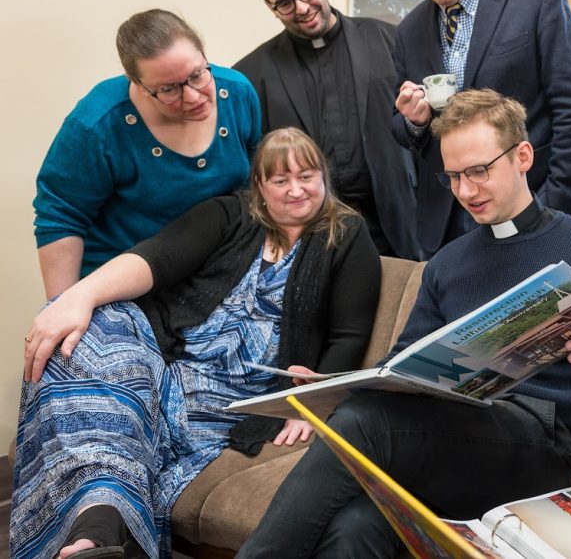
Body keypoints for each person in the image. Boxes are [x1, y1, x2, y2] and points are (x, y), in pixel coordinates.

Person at [238, 89, 571, 558]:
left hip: (539, 446)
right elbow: (398, 366)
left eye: (479, 171)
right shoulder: (447, 263)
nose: (465, 191)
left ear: (522, 156)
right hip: (446, 441)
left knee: (360, 422)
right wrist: (333, 384)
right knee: (356, 525)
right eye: (454, 177)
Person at [14, 128, 381, 559]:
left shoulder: (346, 234)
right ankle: (98, 535)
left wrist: (311, 402)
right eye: (281, 180)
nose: (297, 190)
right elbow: (159, 256)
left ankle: (93, 537)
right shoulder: (231, 215)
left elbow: (348, 335)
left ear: (324, 176)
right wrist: (80, 296)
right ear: (260, 187)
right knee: (76, 340)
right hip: (161, 364)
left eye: (307, 176)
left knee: (112, 417)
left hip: (234, 395)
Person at [375, 0, 571, 257]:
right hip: (446, 226)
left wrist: (553, 212)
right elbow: (401, 127)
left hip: (530, 208)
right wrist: (413, 120)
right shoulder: (408, 31)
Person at [34, 9, 262, 299]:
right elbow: (60, 216)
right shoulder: (97, 124)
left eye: (197, 74)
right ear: (137, 83)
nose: (193, 96)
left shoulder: (238, 93)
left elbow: (256, 183)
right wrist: (61, 308)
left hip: (214, 274)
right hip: (124, 288)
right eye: (168, 89)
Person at [234, 0, 420, 260]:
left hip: (399, 217)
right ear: (272, 8)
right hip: (316, 234)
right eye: (285, 3)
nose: (302, 8)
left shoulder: (389, 39)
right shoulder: (252, 76)